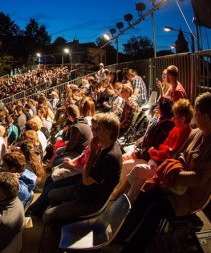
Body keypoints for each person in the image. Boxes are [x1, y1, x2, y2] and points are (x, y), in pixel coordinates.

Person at [116, 92, 211, 252]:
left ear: (206, 116)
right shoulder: (196, 134)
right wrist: (174, 168)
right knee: (147, 192)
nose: (195, 116)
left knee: (155, 208)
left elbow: (198, 178)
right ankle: (122, 233)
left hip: (191, 196)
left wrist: (173, 175)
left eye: (198, 114)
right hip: (175, 185)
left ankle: (133, 247)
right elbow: (180, 154)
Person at [43, 113, 122, 231]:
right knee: (52, 195)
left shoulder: (110, 156)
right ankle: (64, 219)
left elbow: (86, 180)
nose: (94, 132)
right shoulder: (107, 145)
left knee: (47, 216)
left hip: (90, 201)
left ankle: (67, 232)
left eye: (98, 129)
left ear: (107, 132)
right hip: (82, 192)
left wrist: (93, 153)